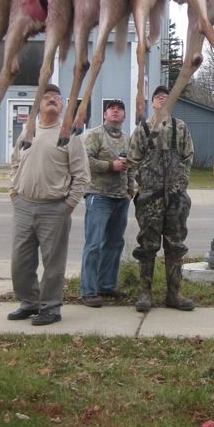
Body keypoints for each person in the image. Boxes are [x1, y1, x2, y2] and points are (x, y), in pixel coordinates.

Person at [7, 83, 90, 326]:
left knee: (53, 264)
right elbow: (15, 162)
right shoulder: (28, 132)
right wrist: (14, 191)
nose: (52, 99)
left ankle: (51, 308)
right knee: (20, 262)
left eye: (56, 97)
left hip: (55, 209)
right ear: (38, 104)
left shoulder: (69, 135)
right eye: (47, 96)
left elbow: (81, 175)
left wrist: (68, 205)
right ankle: (29, 302)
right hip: (23, 206)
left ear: (62, 105)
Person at [127, 85, 195, 313]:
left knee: (175, 245)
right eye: (158, 98)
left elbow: (188, 157)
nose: (162, 100)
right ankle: (144, 292)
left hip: (176, 198)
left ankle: (174, 293)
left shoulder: (181, 128)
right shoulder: (143, 129)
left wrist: (179, 185)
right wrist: (142, 185)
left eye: (166, 97)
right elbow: (133, 160)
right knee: (147, 245)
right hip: (149, 199)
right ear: (153, 103)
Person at [79, 98, 135, 307]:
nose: (115, 111)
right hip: (98, 195)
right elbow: (86, 161)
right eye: (111, 108)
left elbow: (131, 166)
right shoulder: (95, 135)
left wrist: (130, 188)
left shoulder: (127, 139)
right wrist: (110, 166)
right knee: (94, 244)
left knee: (114, 243)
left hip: (121, 198)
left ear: (124, 116)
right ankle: (88, 290)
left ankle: (106, 285)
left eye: (120, 109)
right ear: (105, 114)